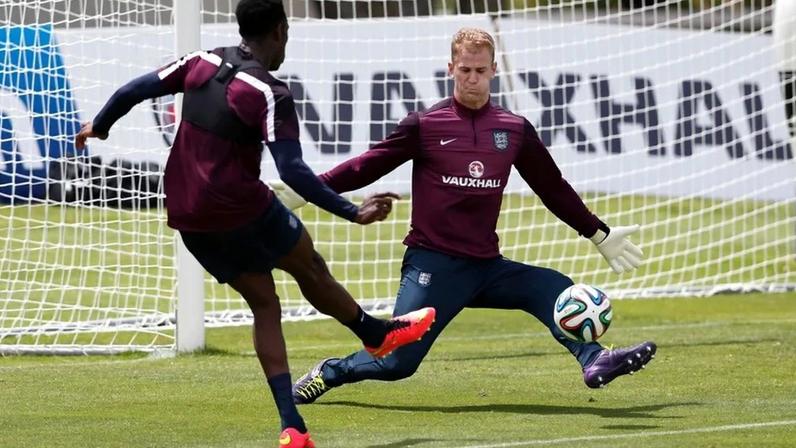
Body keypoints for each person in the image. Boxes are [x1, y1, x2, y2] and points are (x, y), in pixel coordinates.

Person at [73, 1, 436, 446]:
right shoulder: (270, 92)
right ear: (280, 31)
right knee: (309, 266)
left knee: (265, 304)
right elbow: (293, 170)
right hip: (240, 208)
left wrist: (101, 126)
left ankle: (293, 426)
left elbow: (134, 89)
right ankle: (375, 335)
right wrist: (351, 211)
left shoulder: (201, 61)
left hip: (189, 216)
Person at [286, 27, 656, 406]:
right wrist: (307, 190)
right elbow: (366, 166)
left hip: (486, 267)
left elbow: (552, 187)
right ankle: (330, 372)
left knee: (555, 287)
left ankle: (594, 359)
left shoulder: (514, 129)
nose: (472, 78)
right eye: (465, 70)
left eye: (480, 70)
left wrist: (598, 233)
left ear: (494, 70)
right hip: (433, 265)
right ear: (451, 69)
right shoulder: (424, 125)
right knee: (397, 363)